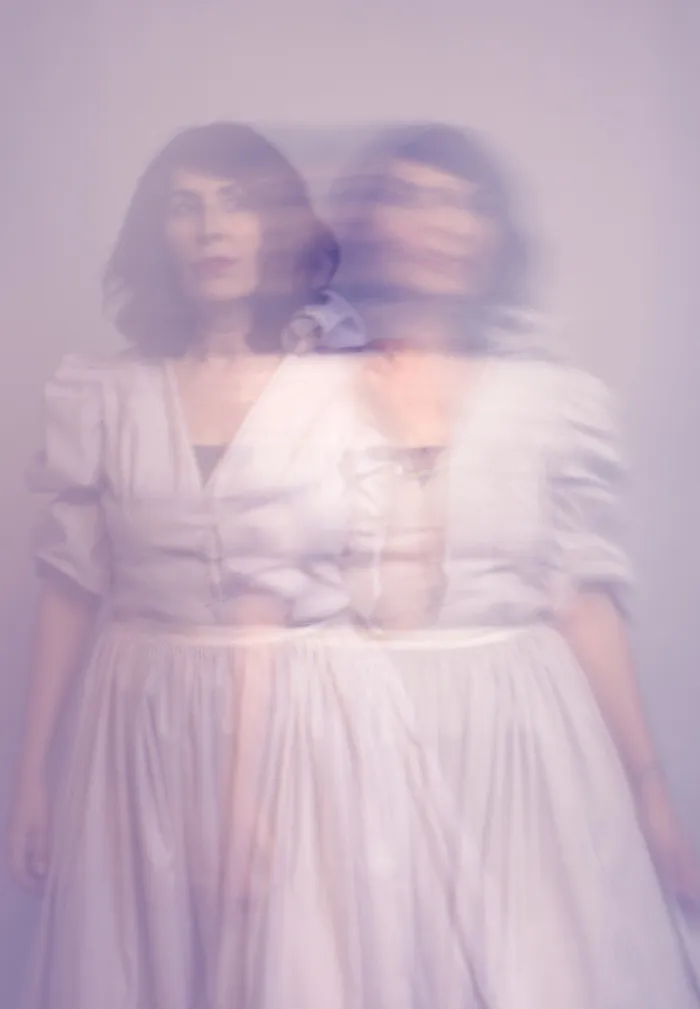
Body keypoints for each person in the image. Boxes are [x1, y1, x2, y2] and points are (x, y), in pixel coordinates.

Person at [8, 122, 485, 1009]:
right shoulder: (104, 393)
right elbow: (71, 585)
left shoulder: (347, 389)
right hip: (141, 725)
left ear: (276, 226)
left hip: (308, 731)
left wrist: (422, 453)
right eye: (185, 206)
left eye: (235, 203)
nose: (212, 228)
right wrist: (31, 772)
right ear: (158, 235)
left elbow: (398, 609)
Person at [331, 122, 700, 1009]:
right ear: (371, 226)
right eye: (414, 198)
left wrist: (649, 790)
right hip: (358, 738)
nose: (443, 224)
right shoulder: (309, 395)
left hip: (524, 744)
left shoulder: (555, 403)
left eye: (465, 205)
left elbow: (583, 602)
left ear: (493, 235)